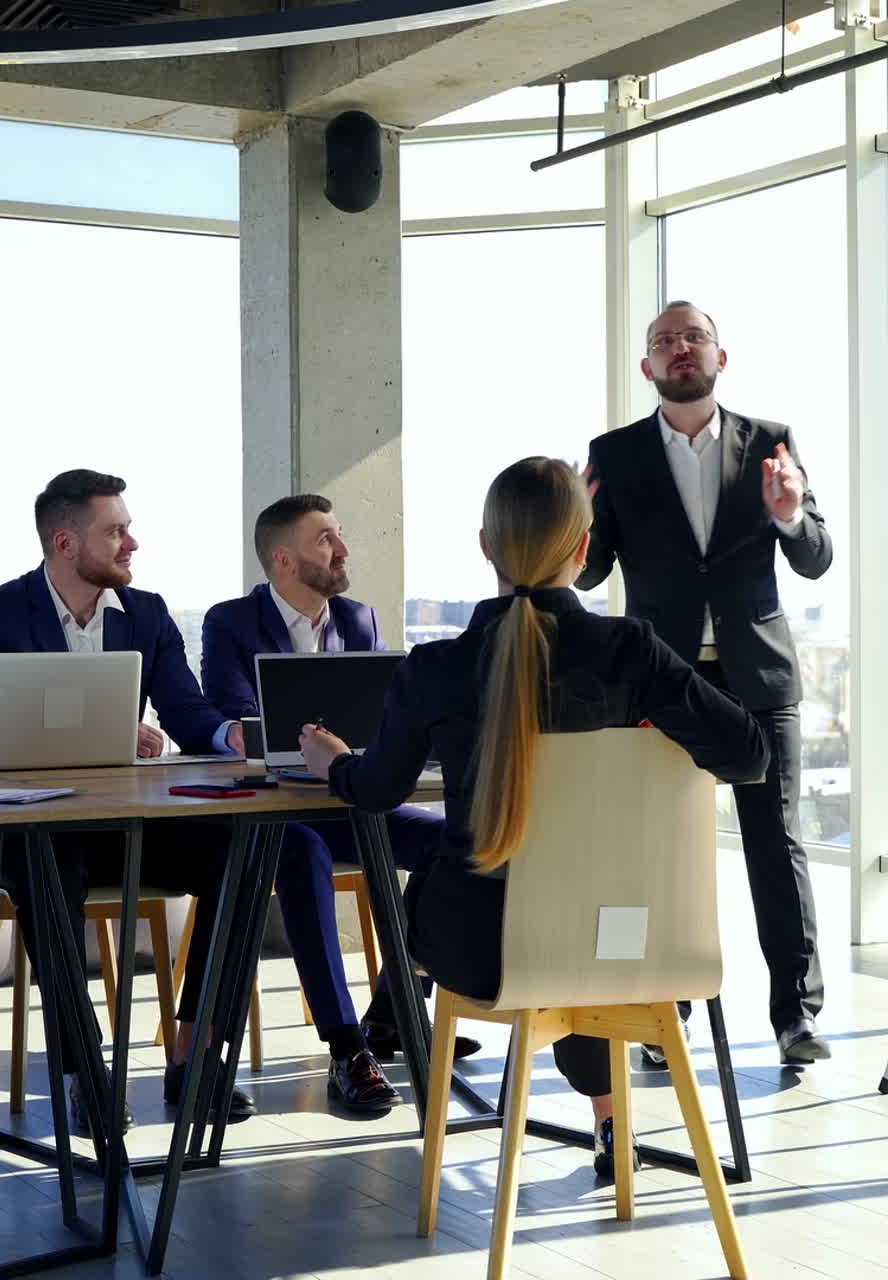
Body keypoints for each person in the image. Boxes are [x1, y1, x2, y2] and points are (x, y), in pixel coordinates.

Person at [299, 457, 767, 1181]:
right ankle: (613, 1125)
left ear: (486, 545)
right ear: (583, 553)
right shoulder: (631, 653)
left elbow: (377, 790)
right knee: (582, 924)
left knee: (443, 875)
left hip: (483, 950)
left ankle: (384, 1035)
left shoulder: (435, 668)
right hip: (628, 941)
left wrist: (331, 761)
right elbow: (748, 754)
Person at [0, 469, 256, 1132]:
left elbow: (185, 708)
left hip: (121, 827)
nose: (131, 543)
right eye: (114, 531)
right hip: (24, 829)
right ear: (66, 542)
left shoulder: (145, 614)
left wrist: (228, 733)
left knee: (241, 850)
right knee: (47, 862)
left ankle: (195, 1053)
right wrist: (112, 726)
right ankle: (84, 1071)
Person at [577, 300, 834, 1066]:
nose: (680, 348)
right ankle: (666, 1008)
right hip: (660, 679)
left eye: (694, 337)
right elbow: (590, 569)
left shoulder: (771, 443)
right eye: (664, 340)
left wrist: (789, 517)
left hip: (758, 677)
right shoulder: (613, 453)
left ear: (722, 358)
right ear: (647, 367)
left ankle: (796, 1017)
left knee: (775, 841)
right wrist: (578, 533)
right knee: (661, 847)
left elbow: (817, 556)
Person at [201, 494, 479, 1070]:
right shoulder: (229, 622)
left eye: (340, 534)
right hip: (272, 813)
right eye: (326, 538)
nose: (343, 550)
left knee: (457, 843)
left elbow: (385, 712)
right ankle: (347, 1046)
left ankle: (393, 1009)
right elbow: (240, 720)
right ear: (282, 558)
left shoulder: (358, 619)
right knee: (303, 853)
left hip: (350, 801)